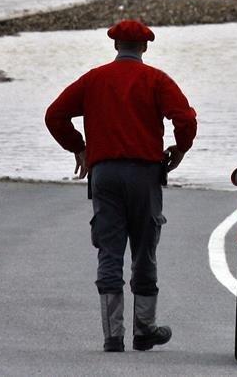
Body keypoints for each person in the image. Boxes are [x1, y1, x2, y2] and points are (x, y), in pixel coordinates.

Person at [45, 19, 197, 353]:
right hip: (144, 175)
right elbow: (185, 118)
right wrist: (180, 148)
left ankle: (112, 335)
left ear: (115, 46)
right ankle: (144, 330)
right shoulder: (156, 79)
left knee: (109, 250)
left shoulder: (93, 80)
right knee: (144, 248)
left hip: (104, 174)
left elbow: (54, 115)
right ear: (144, 47)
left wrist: (79, 147)